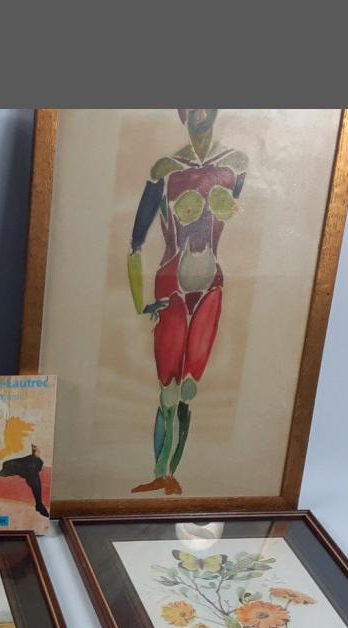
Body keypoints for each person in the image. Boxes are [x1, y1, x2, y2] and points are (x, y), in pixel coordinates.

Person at [126, 109, 247, 496]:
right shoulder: (165, 169)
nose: (200, 111)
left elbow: (229, 216)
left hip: (211, 285)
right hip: (171, 286)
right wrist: (139, 304)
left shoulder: (236, 165)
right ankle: (160, 471)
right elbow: (136, 243)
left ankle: (172, 475)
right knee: (167, 389)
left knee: (189, 390)